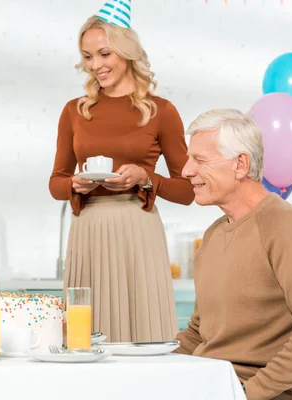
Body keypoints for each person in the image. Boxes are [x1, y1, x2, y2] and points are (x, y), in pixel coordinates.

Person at [49, 1, 194, 342]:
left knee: (143, 336)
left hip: (138, 232)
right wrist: (75, 184)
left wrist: (146, 179)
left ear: (126, 51)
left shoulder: (162, 111)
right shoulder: (74, 111)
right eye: (87, 57)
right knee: (87, 339)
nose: (95, 65)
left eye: (104, 54)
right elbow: (56, 183)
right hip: (88, 231)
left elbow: (188, 191)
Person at [175, 109, 292, 400]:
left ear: (240, 165)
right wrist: (149, 366)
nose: (186, 170)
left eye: (199, 159)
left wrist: (247, 393)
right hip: (209, 386)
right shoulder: (213, 235)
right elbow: (198, 331)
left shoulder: (287, 226)